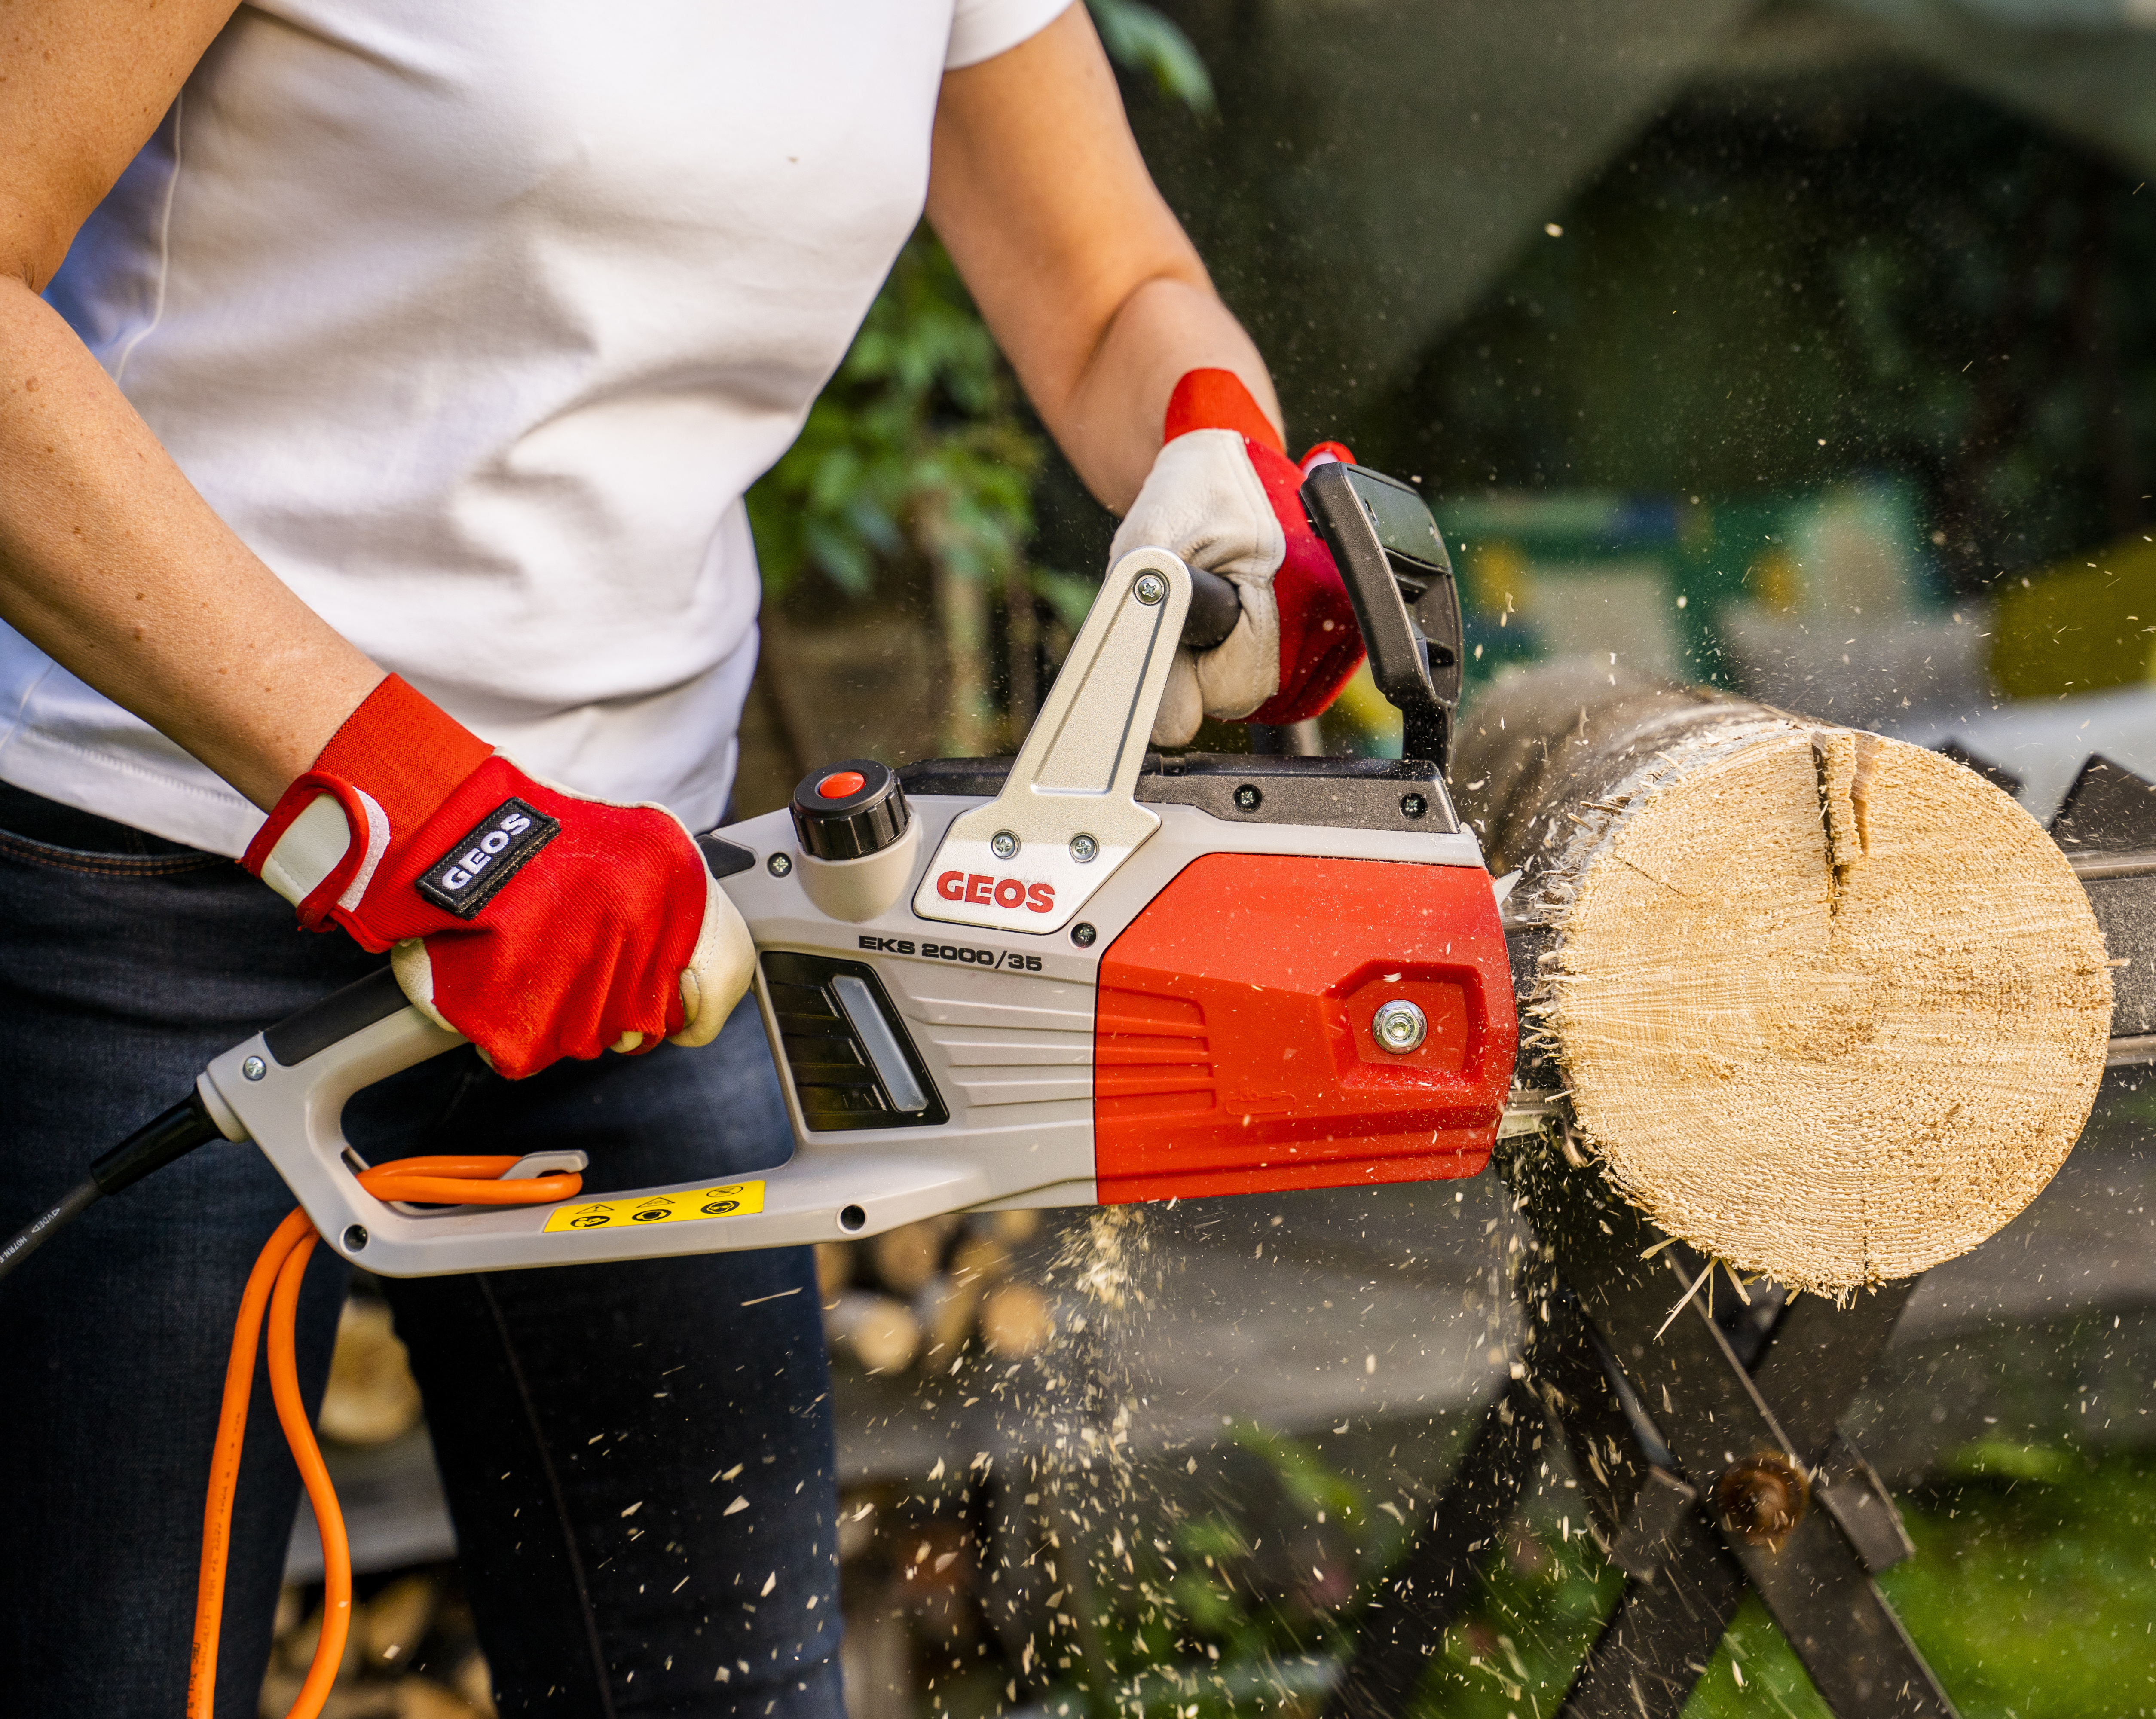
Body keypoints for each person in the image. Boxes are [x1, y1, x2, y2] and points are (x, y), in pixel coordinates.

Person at [0, 2, 1368, 1713]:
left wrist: (1213, 449)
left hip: (640, 936)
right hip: (152, 888)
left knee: (719, 1684)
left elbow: (1105, 290)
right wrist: (423, 812)